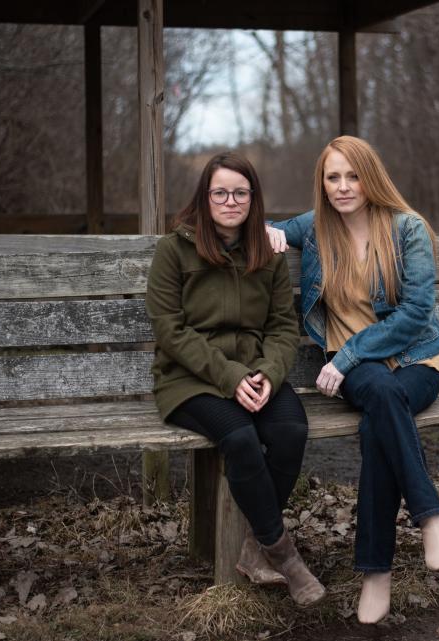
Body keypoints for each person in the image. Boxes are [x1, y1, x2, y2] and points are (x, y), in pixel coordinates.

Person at [266, 136, 439, 624]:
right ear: (322, 183)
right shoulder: (316, 227)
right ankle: (430, 517)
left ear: (371, 178)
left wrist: (348, 354)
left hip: (415, 361)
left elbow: (415, 314)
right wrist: (267, 234)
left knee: (378, 421)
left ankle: (377, 575)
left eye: (353, 176)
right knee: (380, 397)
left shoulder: (407, 229)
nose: (343, 187)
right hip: (360, 373)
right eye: (333, 177)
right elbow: (272, 230)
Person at [146, 152, 326, 606]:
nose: (231, 200)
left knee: (290, 430)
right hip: (188, 378)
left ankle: (254, 546)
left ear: (253, 198)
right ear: (205, 198)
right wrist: (230, 377)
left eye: (240, 192)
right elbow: (170, 330)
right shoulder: (174, 250)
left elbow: (284, 327)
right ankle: (284, 554)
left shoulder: (265, 254)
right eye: (220, 192)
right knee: (241, 438)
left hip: (254, 372)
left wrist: (268, 372)